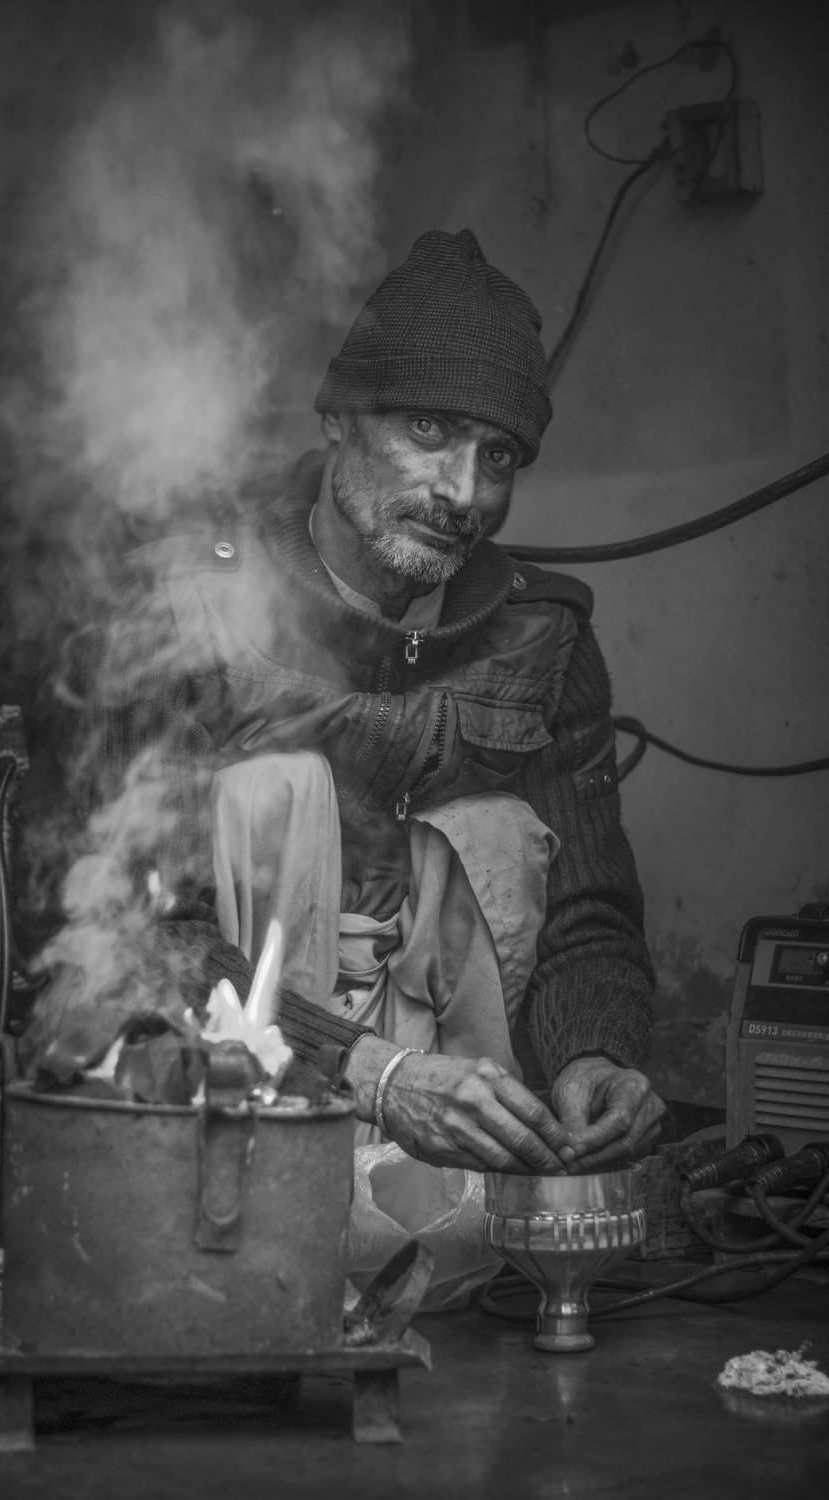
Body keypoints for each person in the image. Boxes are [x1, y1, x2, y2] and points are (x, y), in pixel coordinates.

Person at [100, 228, 666, 1174]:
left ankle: (469, 1204)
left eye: (498, 456)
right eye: (429, 432)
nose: (462, 493)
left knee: (496, 828)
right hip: (220, 1112)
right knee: (274, 792)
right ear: (339, 418)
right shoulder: (187, 611)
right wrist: (370, 1071)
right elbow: (141, 937)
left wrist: (594, 1054)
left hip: (460, 1138)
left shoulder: (546, 642)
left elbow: (589, 917)